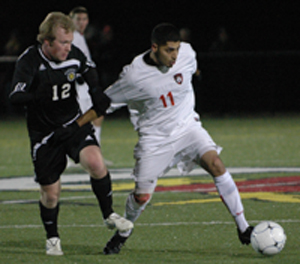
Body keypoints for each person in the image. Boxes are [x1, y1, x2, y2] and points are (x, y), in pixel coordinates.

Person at [72, 23, 253, 255]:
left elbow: (191, 68)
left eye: (176, 49)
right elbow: (103, 104)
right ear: (154, 47)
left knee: (216, 164)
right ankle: (124, 232)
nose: (175, 56)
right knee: (141, 196)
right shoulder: (134, 75)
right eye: (169, 50)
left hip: (188, 128)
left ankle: (244, 227)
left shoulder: (187, 53)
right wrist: (74, 126)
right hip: (155, 139)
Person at [9, 12, 133, 256]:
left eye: (70, 42)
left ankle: (108, 214)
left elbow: (89, 71)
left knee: (96, 163)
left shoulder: (73, 54)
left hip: (73, 125)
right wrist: (37, 96)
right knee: (51, 195)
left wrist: (97, 91)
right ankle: (53, 237)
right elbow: (14, 96)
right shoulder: (30, 60)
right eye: (63, 43)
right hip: (45, 135)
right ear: (47, 42)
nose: (68, 48)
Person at [69, 6, 112, 166]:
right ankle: (71, 155)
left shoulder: (80, 37)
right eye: (78, 19)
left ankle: (95, 152)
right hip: (77, 86)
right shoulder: (72, 37)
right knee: (80, 119)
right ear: (71, 19)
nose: (81, 23)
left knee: (97, 114)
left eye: (84, 19)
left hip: (84, 86)